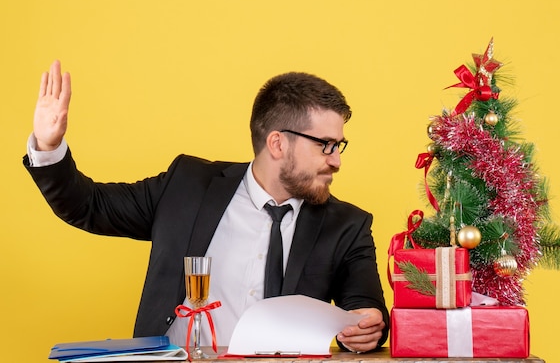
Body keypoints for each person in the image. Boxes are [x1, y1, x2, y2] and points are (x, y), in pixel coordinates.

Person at [24, 60, 389, 353]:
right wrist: (47, 145)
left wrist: (366, 326)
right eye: (326, 145)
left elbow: (364, 305)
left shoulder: (348, 224)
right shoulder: (187, 186)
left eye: (340, 146)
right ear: (277, 144)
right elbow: (88, 206)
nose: (336, 161)